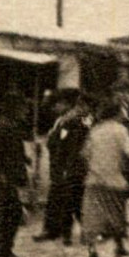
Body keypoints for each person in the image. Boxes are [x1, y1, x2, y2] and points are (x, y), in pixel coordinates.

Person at [82, 98, 129, 257]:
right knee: (117, 214)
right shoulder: (121, 130)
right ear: (117, 113)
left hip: (94, 178)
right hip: (114, 179)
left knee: (93, 216)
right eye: (123, 110)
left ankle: (92, 249)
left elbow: (85, 153)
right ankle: (119, 246)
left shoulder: (95, 130)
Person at [34, 92, 90, 246]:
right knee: (62, 198)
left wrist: (65, 165)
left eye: (58, 104)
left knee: (70, 199)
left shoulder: (72, 120)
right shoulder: (64, 119)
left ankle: (63, 232)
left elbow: (68, 144)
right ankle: (55, 230)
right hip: (61, 166)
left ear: (66, 104)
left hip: (66, 166)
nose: (55, 107)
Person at [0, 99, 30, 257]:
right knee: (8, 213)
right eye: (23, 108)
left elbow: (12, 149)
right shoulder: (3, 125)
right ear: (14, 108)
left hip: (9, 175)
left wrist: (24, 159)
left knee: (10, 213)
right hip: (3, 177)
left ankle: (3, 250)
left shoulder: (10, 124)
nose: (26, 112)